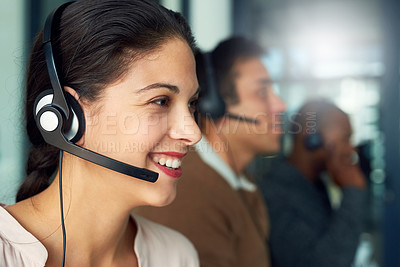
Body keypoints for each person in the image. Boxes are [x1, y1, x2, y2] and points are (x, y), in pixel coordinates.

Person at [0, 0, 202, 266]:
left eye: (191, 104)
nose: (194, 133)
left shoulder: (176, 256)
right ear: (68, 116)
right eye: (161, 101)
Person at [135, 36, 287, 267]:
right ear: (215, 105)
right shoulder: (184, 193)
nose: (280, 105)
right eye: (262, 92)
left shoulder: (239, 179)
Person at [255, 99, 367, 267]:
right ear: (311, 134)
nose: (351, 149)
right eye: (345, 138)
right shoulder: (275, 194)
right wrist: (353, 192)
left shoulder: (314, 186)